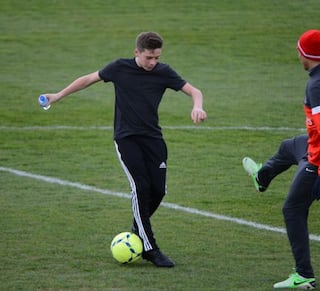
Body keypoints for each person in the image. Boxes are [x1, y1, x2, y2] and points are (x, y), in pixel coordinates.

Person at [41, 31, 207, 268]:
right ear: (136, 53)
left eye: (157, 58)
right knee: (140, 187)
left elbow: (194, 91)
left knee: (158, 190)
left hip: (153, 139)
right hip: (127, 139)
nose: (153, 63)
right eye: (149, 57)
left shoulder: (163, 72)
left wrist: (197, 107)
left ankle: (138, 228)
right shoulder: (119, 68)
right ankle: (150, 248)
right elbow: (88, 79)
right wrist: (58, 95)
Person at [243, 29, 320, 289]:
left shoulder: (318, 85)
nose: (297, 53)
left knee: (293, 209)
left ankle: (304, 275)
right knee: (289, 146)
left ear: (306, 54)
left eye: (299, 50)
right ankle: (262, 177)